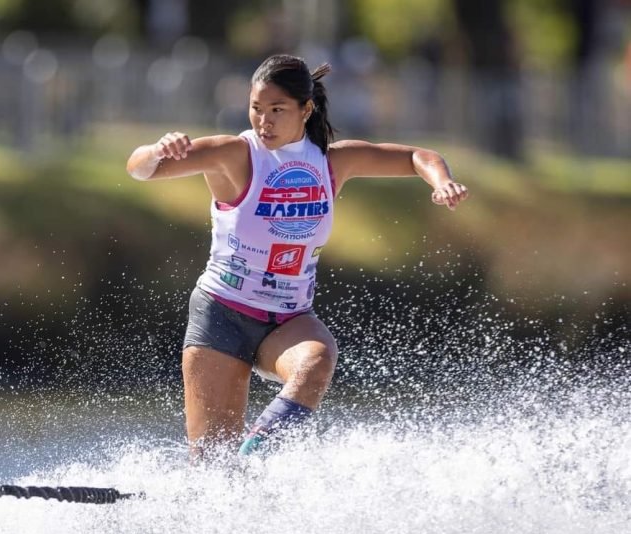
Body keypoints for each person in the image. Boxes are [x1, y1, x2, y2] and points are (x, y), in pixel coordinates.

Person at [126, 55, 469, 458]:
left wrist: (443, 182)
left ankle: (257, 457)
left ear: (305, 110)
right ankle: (217, 488)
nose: (263, 122)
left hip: (287, 318)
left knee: (317, 360)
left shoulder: (331, 161)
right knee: (212, 464)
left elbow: (419, 157)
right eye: (256, 109)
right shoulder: (233, 154)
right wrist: (156, 149)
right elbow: (140, 169)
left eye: (277, 110)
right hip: (222, 314)